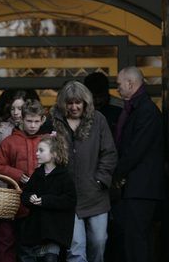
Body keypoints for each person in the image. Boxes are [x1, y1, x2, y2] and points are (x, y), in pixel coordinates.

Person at [50, 81, 117, 262]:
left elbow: (109, 153)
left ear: (85, 102)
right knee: (76, 248)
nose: (74, 107)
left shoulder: (98, 120)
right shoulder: (54, 122)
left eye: (78, 102)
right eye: (69, 103)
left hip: (95, 195)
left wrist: (100, 180)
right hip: (68, 197)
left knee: (99, 241)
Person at [111, 66, 166, 262]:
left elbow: (135, 150)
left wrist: (116, 173)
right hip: (137, 188)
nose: (117, 89)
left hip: (142, 189)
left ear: (130, 83)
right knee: (133, 240)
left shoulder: (146, 111)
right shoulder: (138, 108)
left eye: (119, 84)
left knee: (137, 241)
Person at [0, 99, 48, 262]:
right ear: (21, 119)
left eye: (36, 121)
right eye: (29, 121)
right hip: (16, 200)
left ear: (42, 120)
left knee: (40, 246)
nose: (32, 125)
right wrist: (17, 174)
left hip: (41, 201)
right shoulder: (9, 141)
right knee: (14, 243)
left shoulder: (46, 141)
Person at [19, 134, 77, 262]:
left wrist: (45, 200)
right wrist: (30, 198)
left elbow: (70, 200)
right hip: (35, 229)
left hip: (54, 230)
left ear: (54, 154)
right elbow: (24, 195)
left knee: (50, 258)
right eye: (37, 150)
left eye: (41, 150)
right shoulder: (37, 174)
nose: (37, 153)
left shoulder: (64, 176)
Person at [0, 90, 29, 187]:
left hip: (27, 186)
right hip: (3, 187)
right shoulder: (1, 129)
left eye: (20, 109)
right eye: (12, 109)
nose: (15, 113)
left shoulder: (33, 129)